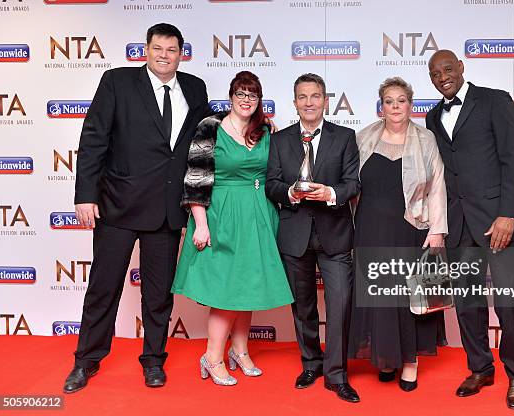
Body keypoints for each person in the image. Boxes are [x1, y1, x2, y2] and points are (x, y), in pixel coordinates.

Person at [63, 23, 213, 393]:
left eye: (172, 50)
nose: (164, 56)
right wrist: (85, 194)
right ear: (145, 50)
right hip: (117, 205)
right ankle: (86, 360)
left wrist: (254, 130)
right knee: (104, 287)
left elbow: (205, 141)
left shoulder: (195, 88)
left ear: (182, 53)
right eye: (157, 49)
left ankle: (153, 361)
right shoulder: (117, 82)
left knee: (159, 295)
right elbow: (94, 137)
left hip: (166, 209)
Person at [171, 71, 293, 386]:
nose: (246, 100)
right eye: (240, 93)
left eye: (252, 95)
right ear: (230, 96)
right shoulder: (210, 128)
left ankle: (240, 350)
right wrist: (200, 224)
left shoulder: (265, 130)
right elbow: (195, 177)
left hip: (259, 214)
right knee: (226, 291)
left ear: (259, 99)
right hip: (221, 214)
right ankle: (212, 357)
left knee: (247, 286)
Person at [425, 49, 514, 410]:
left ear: (461, 68)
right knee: (468, 303)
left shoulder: (494, 101)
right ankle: (480, 368)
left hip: (497, 222)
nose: (442, 77)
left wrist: (509, 214)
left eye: (448, 69)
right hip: (458, 224)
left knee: (508, 302)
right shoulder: (432, 117)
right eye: (435, 73)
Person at [266, 73, 361, 403]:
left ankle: (336, 374)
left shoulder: (345, 137)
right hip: (295, 235)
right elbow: (271, 184)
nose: (309, 102)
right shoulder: (279, 141)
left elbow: (353, 183)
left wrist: (331, 192)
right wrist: (290, 193)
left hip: (334, 234)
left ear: (325, 100)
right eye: (302, 97)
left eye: (316, 96)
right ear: (294, 103)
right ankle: (311, 363)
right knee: (303, 307)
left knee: (340, 305)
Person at [348, 77, 448, 392]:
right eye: (389, 101)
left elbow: (438, 186)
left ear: (410, 105)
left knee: (407, 297)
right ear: (382, 107)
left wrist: (437, 229)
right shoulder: (363, 137)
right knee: (379, 296)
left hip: (410, 229)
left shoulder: (426, 139)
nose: (395, 106)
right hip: (369, 230)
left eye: (401, 100)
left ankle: (409, 362)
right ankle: (385, 358)